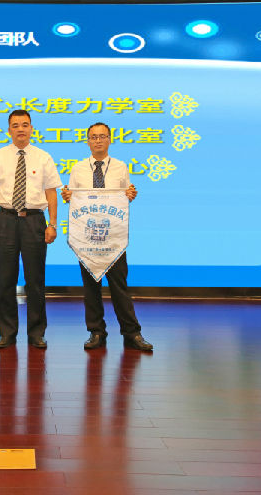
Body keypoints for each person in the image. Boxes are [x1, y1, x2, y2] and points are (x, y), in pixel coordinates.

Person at [61, 122, 153, 352]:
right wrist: (67, 196)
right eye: (94, 137)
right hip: (87, 237)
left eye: (102, 136)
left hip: (113, 237)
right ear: (88, 141)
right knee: (91, 287)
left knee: (119, 286)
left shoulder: (120, 167)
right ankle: (96, 332)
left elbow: (125, 196)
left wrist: (130, 194)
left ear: (110, 139)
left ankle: (132, 333)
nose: (98, 140)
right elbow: (72, 198)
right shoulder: (78, 168)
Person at [0, 110, 62, 349]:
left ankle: (36, 332)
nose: (20, 129)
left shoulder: (43, 157)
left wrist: (52, 224)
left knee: (35, 279)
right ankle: (7, 332)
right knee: (5, 279)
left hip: (34, 221)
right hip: (5, 220)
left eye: (25, 125)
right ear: (9, 130)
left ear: (31, 128)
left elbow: (51, 193)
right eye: (15, 125)